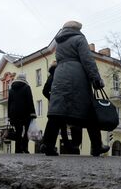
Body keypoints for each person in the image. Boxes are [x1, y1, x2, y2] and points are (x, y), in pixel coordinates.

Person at [41, 21, 110, 157]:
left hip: (60, 76)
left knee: (57, 112)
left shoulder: (59, 43)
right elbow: (87, 60)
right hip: (77, 77)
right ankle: (96, 146)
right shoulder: (79, 38)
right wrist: (96, 79)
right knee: (90, 111)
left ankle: (47, 144)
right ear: (77, 29)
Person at [42, 61, 81, 154]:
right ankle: (72, 148)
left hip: (53, 105)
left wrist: (51, 98)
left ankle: (46, 145)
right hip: (63, 103)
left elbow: (44, 91)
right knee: (64, 126)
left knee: (53, 124)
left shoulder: (50, 77)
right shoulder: (61, 75)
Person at [8, 74, 36, 154]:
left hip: (14, 113)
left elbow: (9, 103)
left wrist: (9, 116)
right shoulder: (26, 87)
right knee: (27, 131)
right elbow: (30, 100)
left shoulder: (11, 89)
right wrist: (33, 113)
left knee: (18, 131)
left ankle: (18, 149)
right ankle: (24, 148)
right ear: (24, 79)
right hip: (25, 112)